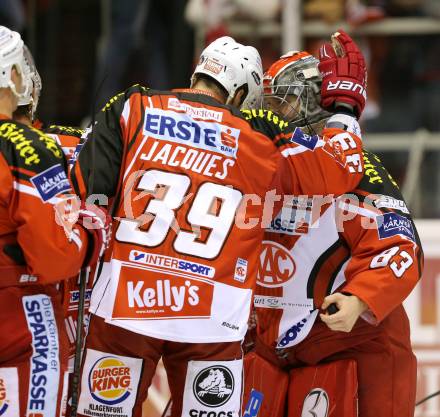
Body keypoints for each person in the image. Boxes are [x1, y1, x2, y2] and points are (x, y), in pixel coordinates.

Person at [71, 35, 365, 417]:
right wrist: (344, 109)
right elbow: (339, 168)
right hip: (211, 318)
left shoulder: (134, 104)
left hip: (127, 303)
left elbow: (88, 191)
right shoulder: (258, 132)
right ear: (241, 92)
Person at [245, 32, 424, 417]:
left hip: (351, 339)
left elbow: (399, 248)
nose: (274, 112)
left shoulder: (359, 170)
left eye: (286, 100)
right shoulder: (261, 159)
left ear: (315, 103)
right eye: (269, 101)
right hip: (272, 346)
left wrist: (360, 298)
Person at [0, 26, 108, 417]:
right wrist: (92, 236)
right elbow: (53, 256)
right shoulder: (27, 144)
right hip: (18, 315)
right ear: (13, 75)